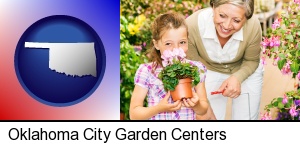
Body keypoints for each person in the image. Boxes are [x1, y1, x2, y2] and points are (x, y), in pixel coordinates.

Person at [130, 12, 216, 120]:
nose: (176, 48)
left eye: (182, 42)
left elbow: (203, 109)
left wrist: (196, 104)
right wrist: (159, 108)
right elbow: (134, 114)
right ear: (156, 44)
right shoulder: (147, 71)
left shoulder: (196, 69)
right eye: (168, 44)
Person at [186, 0, 263, 120]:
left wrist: (237, 77)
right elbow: (193, 69)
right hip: (207, 71)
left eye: (236, 20)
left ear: (246, 19)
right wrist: (204, 105)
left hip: (246, 70)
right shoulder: (192, 26)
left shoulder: (253, 25)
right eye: (222, 16)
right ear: (213, 7)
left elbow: (251, 61)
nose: (227, 26)